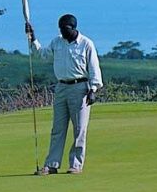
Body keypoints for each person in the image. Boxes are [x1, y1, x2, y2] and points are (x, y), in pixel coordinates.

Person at [27, 14, 103, 175]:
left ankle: (76, 164)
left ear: (73, 28)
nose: (62, 32)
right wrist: (33, 38)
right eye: (60, 29)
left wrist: (93, 90)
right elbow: (42, 55)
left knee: (79, 129)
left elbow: (94, 68)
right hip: (61, 87)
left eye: (65, 29)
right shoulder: (57, 42)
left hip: (80, 87)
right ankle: (52, 164)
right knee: (58, 128)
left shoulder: (86, 44)